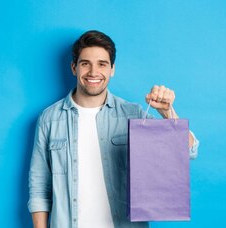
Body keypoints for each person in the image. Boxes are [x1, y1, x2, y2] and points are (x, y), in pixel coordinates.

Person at [27, 30, 199, 228]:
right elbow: (39, 187)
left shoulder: (132, 114)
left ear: (112, 69)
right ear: (74, 68)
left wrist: (168, 113)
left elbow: (188, 151)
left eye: (102, 64)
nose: (93, 72)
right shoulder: (49, 119)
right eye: (85, 64)